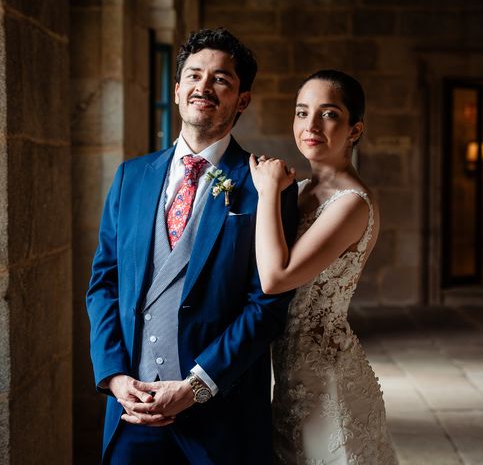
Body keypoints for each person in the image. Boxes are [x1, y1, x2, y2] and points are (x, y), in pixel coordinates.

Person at [86, 27, 298, 464]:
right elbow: (104, 283)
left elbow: (266, 306)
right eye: (195, 75)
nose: (205, 86)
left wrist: (195, 387)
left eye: (221, 79)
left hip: (222, 418)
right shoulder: (131, 176)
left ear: (242, 100)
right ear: (178, 88)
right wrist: (114, 376)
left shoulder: (267, 186)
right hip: (132, 411)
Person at [249, 70, 398, 464]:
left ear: (354, 129)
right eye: (301, 112)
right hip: (287, 373)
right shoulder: (298, 191)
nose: (310, 125)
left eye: (328, 114)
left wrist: (266, 192)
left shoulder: (352, 203)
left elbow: (275, 277)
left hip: (327, 380)